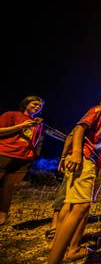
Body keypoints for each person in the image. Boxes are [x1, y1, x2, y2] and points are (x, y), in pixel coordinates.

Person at [48, 93, 101, 263]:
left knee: (79, 206)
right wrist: (73, 154)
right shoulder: (98, 110)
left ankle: (68, 247)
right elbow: (78, 129)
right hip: (85, 159)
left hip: (95, 162)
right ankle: (55, 257)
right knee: (79, 206)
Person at [0, 96, 44, 226]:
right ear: (26, 103)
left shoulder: (37, 123)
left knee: (9, 188)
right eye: (35, 104)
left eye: (39, 106)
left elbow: (35, 142)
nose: (37, 107)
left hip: (23, 158)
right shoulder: (11, 115)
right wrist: (22, 126)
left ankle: (2, 218)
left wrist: (34, 156)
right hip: (4, 153)